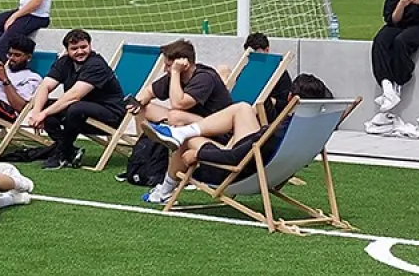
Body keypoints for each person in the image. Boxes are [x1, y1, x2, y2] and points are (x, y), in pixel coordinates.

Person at [144, 74, 336, 204]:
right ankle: (183, 132)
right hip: (267, 170)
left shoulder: (277, 130)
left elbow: (234, 158)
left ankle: (165, 191)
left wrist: (198, 154)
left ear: (290, 98)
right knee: (242, 108)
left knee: (188, 141)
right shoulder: (309, 128)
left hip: (235, 173)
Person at [127, 38, 234, 182]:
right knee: (145, 109)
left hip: (219, 130)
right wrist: (137, 103)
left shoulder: (204, 77)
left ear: (184, 64)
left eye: (168, 66)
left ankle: (172, 164)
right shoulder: (175, 77)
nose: (165, 70)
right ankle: (144, 157)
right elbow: (148, 91)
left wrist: (176, 72)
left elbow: (179, 104)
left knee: (175, 116)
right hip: (194, 122)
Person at [22, 29, 125, 169]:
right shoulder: (64, 62)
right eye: (74, 48)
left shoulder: (96, 65)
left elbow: (74, 95)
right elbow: (45, 86)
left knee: (73, 107)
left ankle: (62, 153)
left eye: (84, 47)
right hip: (82, 111)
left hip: (110, 113)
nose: (80, 51)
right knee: (49, 106)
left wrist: (43, 114)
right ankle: (69, 150)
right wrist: (37, 112)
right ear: (67, 50)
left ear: (90, 46)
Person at [242, 32, 294, 123]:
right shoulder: (246, 70)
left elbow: (286, 103)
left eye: (258, 55)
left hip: (270, 115)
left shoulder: (280, 73)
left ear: (267, 50)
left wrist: (271, 101)